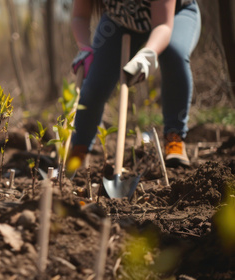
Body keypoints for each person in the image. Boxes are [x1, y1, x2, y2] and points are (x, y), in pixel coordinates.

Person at [70, 0, 200, 167]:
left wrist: (148, 55)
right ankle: (78, 149)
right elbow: (80, 16)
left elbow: (163, 25)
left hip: (174, 15)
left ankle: (174, 139)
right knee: (95, 83)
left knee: (174, 53)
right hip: (119, 22)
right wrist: (84, 49)